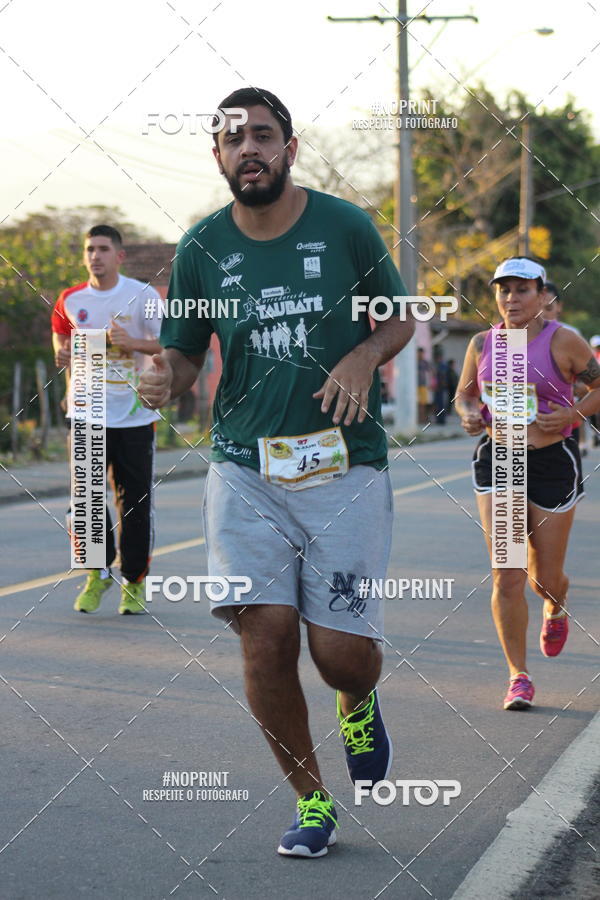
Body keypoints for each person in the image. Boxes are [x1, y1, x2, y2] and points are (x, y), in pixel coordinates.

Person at [139, 87, 414, 858]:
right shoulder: (200, 248)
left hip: (344, 465)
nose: (247, 149)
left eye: (263, 135)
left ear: (289, 149)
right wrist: (167, 378)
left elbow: (399, 314)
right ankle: (313, 800)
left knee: (338, 655)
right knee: (265, 637)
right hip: (244, 469)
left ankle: (357, 697)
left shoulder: (344, 225)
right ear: (218, 156)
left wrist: (364, 353)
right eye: (233, 139)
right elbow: (186, 357)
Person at [456, 256, 600, 710]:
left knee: (544, 578)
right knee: (507, 576)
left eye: (522, 290)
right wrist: (467, 414)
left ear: (542, 296)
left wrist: (575, 413)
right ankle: (518, 676)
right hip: (500, 460)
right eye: (503, 290)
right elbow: (465, 393)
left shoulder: (565, 342)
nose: (511, 299)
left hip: (551, 461)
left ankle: (555, 605)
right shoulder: (482, 343)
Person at [51, 225, 162, 615]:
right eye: (89, 249)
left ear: (119, 255)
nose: (95, 256)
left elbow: (170, 345)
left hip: (133, 417)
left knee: (133, 503)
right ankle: (96, 574)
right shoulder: (70, 300)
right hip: (86, 414)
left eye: (102, 249)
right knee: (87, 502)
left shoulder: (142, 295)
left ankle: (133, 581)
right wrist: (64, 364)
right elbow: (62, 347)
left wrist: (133, 343)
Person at [542, 281, 589, 454]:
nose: (542, 315)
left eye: (548, 308)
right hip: (522, 429)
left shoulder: (570, 336)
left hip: (564, 423)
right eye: (537, 309)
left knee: (567, 478)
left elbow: (590, 385)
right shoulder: (515, 337)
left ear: (559, 307)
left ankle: (584, 442)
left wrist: (571, 390)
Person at [417, 347, 432, 423]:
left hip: (423, 385)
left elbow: (431, 372)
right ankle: (419, 419)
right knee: (417, 403)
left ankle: (423, 419)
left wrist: (431, 383)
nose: (420, 355)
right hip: (415, 386)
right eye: (419, 353)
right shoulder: (414, 362)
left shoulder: (425, 362)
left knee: (423, 403)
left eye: (421, 353)